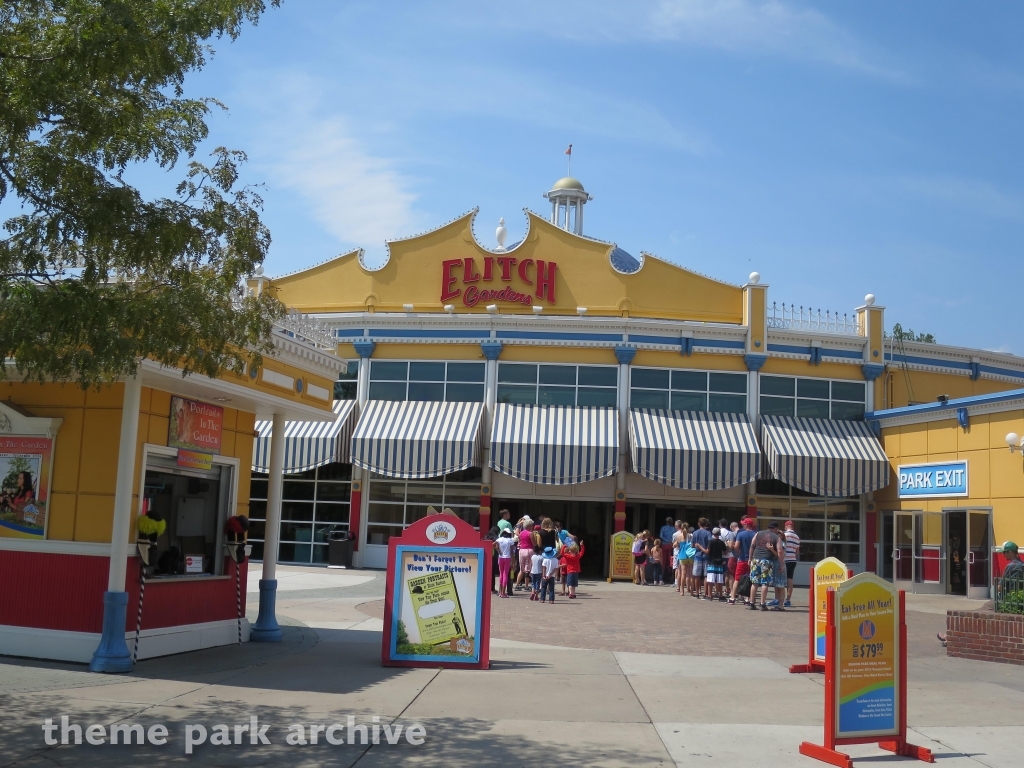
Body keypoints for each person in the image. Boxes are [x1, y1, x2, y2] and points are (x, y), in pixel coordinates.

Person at [748, 522, 785, 611]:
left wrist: (750, 558)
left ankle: (751, 603)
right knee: (765, 583)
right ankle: (762, 604)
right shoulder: (776, 537)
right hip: (767, 561)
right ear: (775, 528)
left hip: (756, 559)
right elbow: (780, 552)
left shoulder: (758, 533)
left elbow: (752, 546)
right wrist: (781, 564)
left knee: (754, 582)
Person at [729, 517, 756, 605]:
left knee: (737, 579)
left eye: (744, 524)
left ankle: (733, 598)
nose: (742, 525)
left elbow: (736, 546)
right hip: (752, 560)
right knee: (750, 579)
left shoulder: (741, 534)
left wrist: (738, 551)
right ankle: (748, 599)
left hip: (742, 559)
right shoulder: (755, 534)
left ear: (747, 525)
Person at [690, 518, 712, 599]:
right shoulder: (708, 533)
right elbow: (710, 543)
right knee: (706, 575)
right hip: (706, 555)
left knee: (697, 575)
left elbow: (692, 545)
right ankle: (706, 593)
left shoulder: (695, 533)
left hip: (698, 555)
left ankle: (697, 592)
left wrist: (698, 546)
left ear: (699, 524)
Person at [706, 527, 728, 601]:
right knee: (719, 580)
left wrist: (700, 547)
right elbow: (725, 552)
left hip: (712, 562)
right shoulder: (721, 542)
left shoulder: (711, 541)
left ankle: (709, 595)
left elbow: (707, 551)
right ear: (719, 534)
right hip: (720, 562)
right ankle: (720, 595)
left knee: (710, 580)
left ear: (713, 533)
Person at [783, 520, 801, 607]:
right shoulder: (797, 537)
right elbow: (797, 552)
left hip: (785, 559)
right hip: (793, 560)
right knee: (790, 579)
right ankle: (788, 600)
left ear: (786, 527)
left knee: (782, 580)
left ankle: (779, 599)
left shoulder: (784, 535)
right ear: (793, 527)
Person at [495, 528, 515, 597]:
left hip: (500, 558)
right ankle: (503, 592)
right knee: (505, 574)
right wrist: (513, 561)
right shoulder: (510, 541)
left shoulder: (499, 539)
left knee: (501, 574)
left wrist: (498, 550)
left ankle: (500, 592)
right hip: (507, 558)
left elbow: (493, 544)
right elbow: (512, 552)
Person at [515, 520, 535, 591]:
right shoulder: (531, 533)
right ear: (529, 526)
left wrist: (518, 524)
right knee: (528, 569)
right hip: (529, 550)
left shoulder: (521, 533)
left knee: (521, 569)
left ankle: (517, 585)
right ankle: (526, 586)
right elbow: (534, 543)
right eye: (532, 525)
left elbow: (516, 533)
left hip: (521, 551)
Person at [675, 523, 693, 595]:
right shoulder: (691, 536)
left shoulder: (679, 536)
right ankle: (690, 590)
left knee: (683, 573)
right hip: (690, 555)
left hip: (682, 555)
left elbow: (675, 545)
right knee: (690, 574)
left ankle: (682, 591)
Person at [720, 519, 737, 593]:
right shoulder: (729, 533)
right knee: (727, 573)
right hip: (727, 555)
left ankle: (722, 589)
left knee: (722, 573)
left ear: (720, 524)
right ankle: (728, 589)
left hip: (719, 555)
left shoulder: (717, 532)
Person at [659, 516, 675, 583]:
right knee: (671, 562)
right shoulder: (674, 529)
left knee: (663, 562)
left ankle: (661, 578)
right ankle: (671, 578)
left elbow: (661, 536)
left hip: (664, 545)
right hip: (671, 545)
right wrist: (670, 541)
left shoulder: (663, 528)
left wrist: (667, 540)